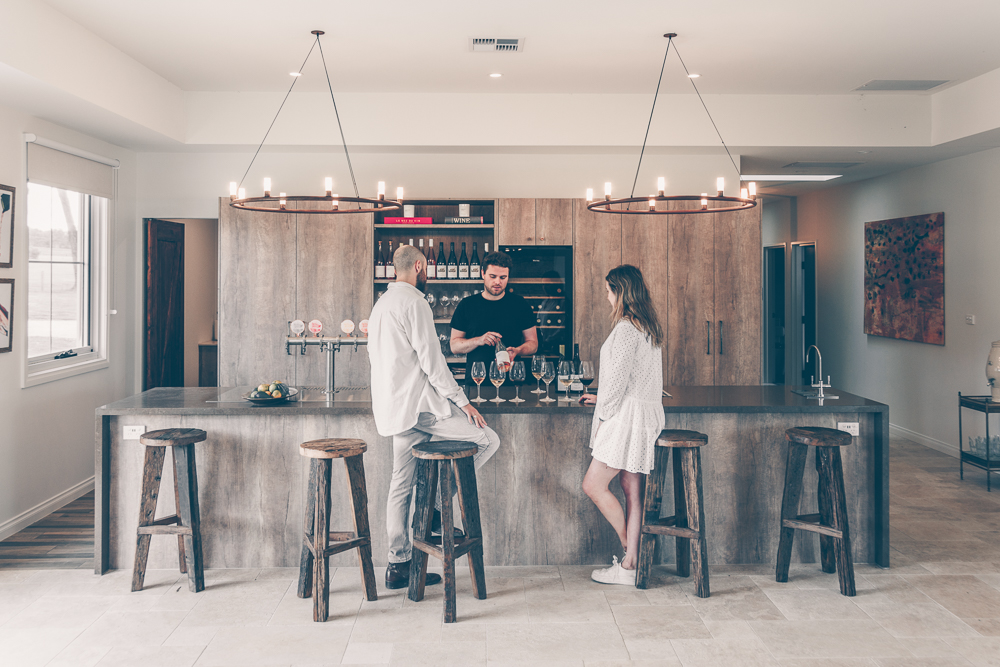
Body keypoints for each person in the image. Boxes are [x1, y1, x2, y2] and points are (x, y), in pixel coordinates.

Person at [367, 244, 501, 590]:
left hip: (396, 409)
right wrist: (464, 402)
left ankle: (397, 565)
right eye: (427, 269)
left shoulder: (381, 304)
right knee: (487, 439)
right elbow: (434, 363)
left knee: (401, 485)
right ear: (419, 266)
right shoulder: (414, 302)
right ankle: (440, 511)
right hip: (421, 410)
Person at [580, 265, 665, 585]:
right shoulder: (648, 326)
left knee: (594, 484)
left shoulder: (626, 330)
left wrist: (603, 416)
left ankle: (631, 553)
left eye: (608, 290)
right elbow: (632, 379)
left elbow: (616, 385)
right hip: (644, 416)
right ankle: (632, 565)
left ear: (620, 292)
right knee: (632, 489)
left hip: (626, 419)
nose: (606, 296)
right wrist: (600, 396)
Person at [450, 250, 538, 383]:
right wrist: (478, 340)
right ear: (483, 274)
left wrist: (517, 350)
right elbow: (454, 346)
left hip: (512, 381)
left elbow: (533, 344)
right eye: (493, 276)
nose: (498, 282)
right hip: (477, 382)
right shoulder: (467, 305)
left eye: (503, 278)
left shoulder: (520, 304)